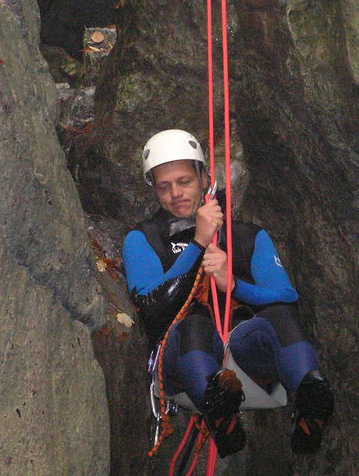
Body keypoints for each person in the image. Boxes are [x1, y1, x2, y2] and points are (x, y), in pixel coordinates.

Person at [122, 129, 334, 456]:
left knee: (280, 316)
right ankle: (220, 412)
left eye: (184, 181)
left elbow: (285, 295)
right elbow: (153, 308)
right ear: (154, 189)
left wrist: (232, 285)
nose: (175, 193)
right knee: (193, 324)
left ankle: (310, 395)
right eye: (164, 186)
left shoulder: (247, 237)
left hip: (243, 353)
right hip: (185, 359)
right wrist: (197, 244)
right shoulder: (143, 239)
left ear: (204, 177)